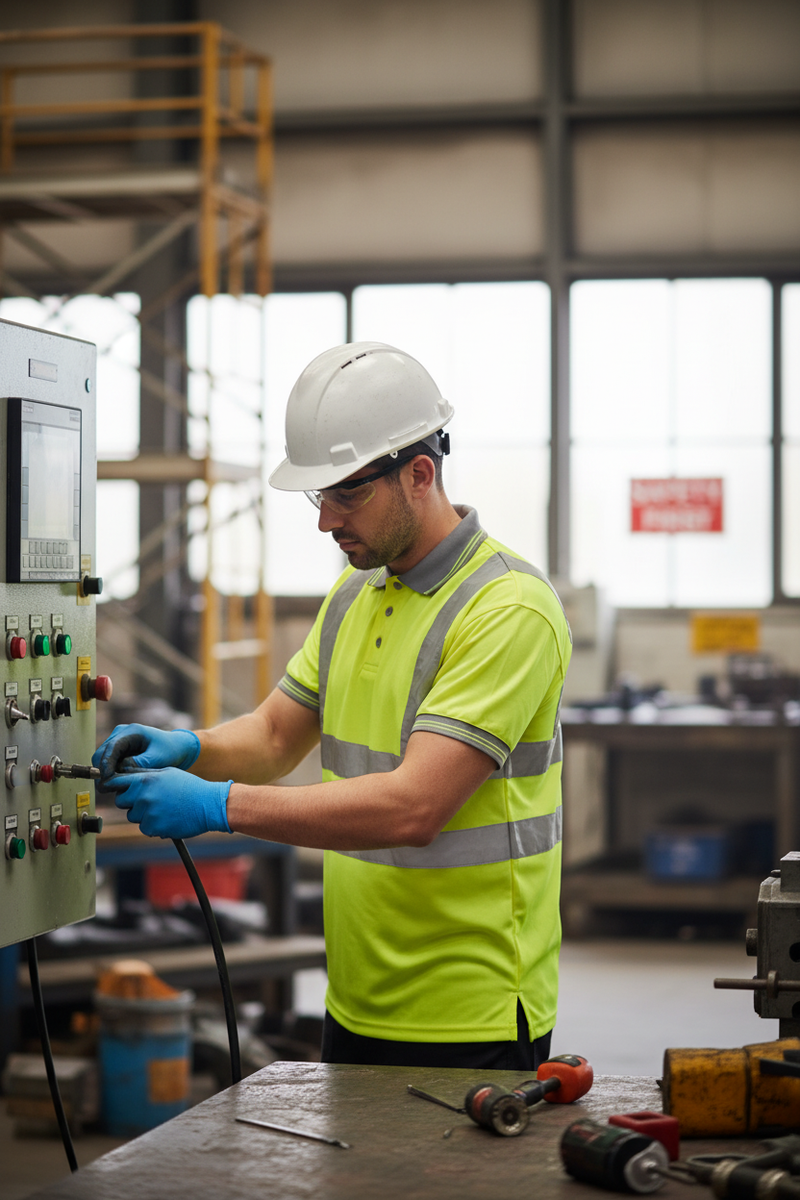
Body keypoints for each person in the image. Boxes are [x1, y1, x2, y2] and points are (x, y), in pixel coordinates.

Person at [94, 341, 572, 1070]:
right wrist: (186, 746)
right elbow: (275, 736)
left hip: (469, 1013)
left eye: (347, 494)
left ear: (420, 473)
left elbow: (415, 808)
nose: (326, 522)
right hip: (356, 998)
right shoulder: (357, 593)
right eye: (321, 497)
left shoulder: (507, 609)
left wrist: (220, 805)